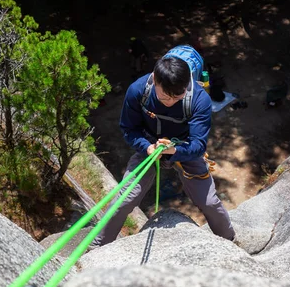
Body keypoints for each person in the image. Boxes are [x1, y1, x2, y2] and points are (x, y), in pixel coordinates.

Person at [92, 55, 235, 247]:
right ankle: (97, 247)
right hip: (149, 146)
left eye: (178, 96)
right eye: (165, 96)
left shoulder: (199, 99)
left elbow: (198, 145)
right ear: (154, 79)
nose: (171, 101)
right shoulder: (138, 90)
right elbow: (129, 129)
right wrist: (147, 147)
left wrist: (173, 150)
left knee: (208, 201)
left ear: (187, 84)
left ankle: (230, 242)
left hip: (184, 147)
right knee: (124, 200)